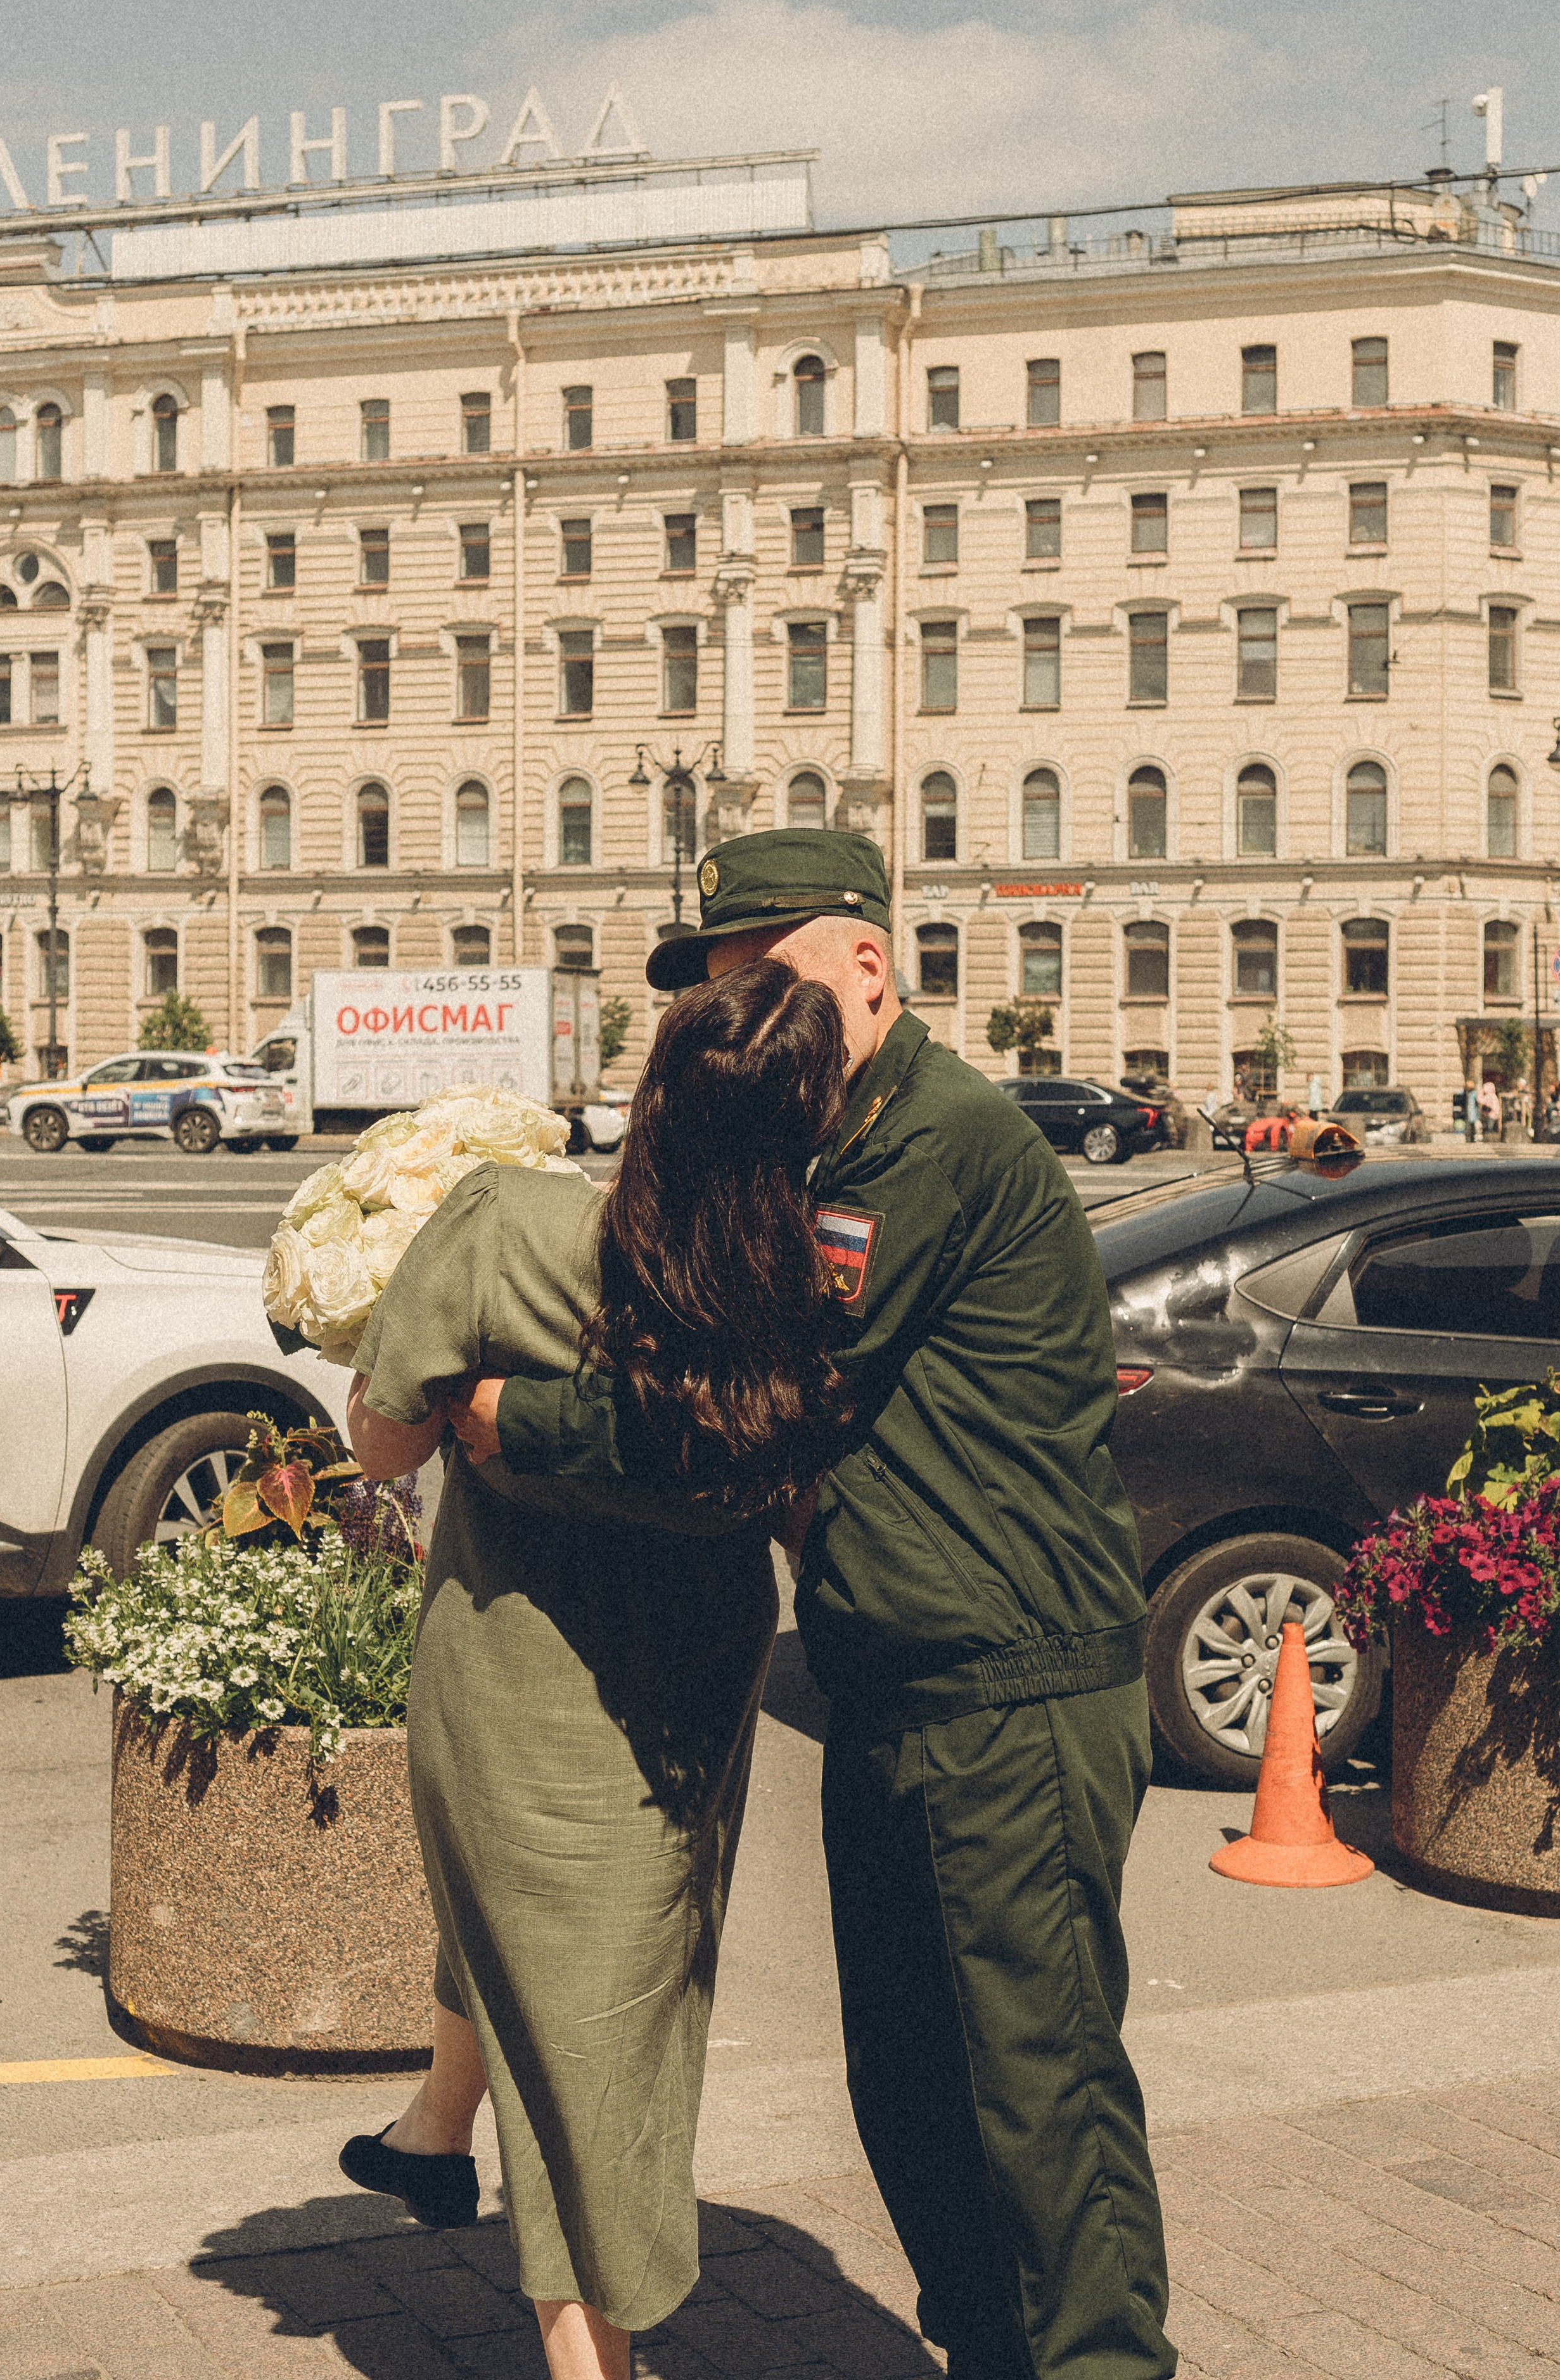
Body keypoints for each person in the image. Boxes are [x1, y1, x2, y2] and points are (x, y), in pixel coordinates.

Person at [466, 831, 1177, 2380]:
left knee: (1038, 2090)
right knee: (914, 2085)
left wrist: (504, 1422)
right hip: (895, 1684)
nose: (742, 1017)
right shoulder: (824, 1149)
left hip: (1012, 1688)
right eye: (721, 991)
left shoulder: (924, 1141)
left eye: (761, 976)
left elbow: (749, 1410)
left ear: (866, 964)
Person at [342, 959, 851, 2380]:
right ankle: (436, 2129)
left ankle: (589, 2359)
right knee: (580, 1964)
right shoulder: (792, 1286)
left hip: (507, 1673)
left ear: (650, 1095)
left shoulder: (505, 1221)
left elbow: (377, 1446)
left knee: (586, 2031)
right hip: (686, 1683)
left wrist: (434, 1382)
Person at [1481, 1075, 1503, 1142]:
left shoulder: (1489, 1096)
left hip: (1491, 1114)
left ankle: (1489, 1139)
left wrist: (1480, 1093)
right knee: (1492, 1126)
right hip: (1495, 1114)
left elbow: (1481, 1100)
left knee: (1489, 1127)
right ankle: (1491, 1138)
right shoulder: (1494, 1096)